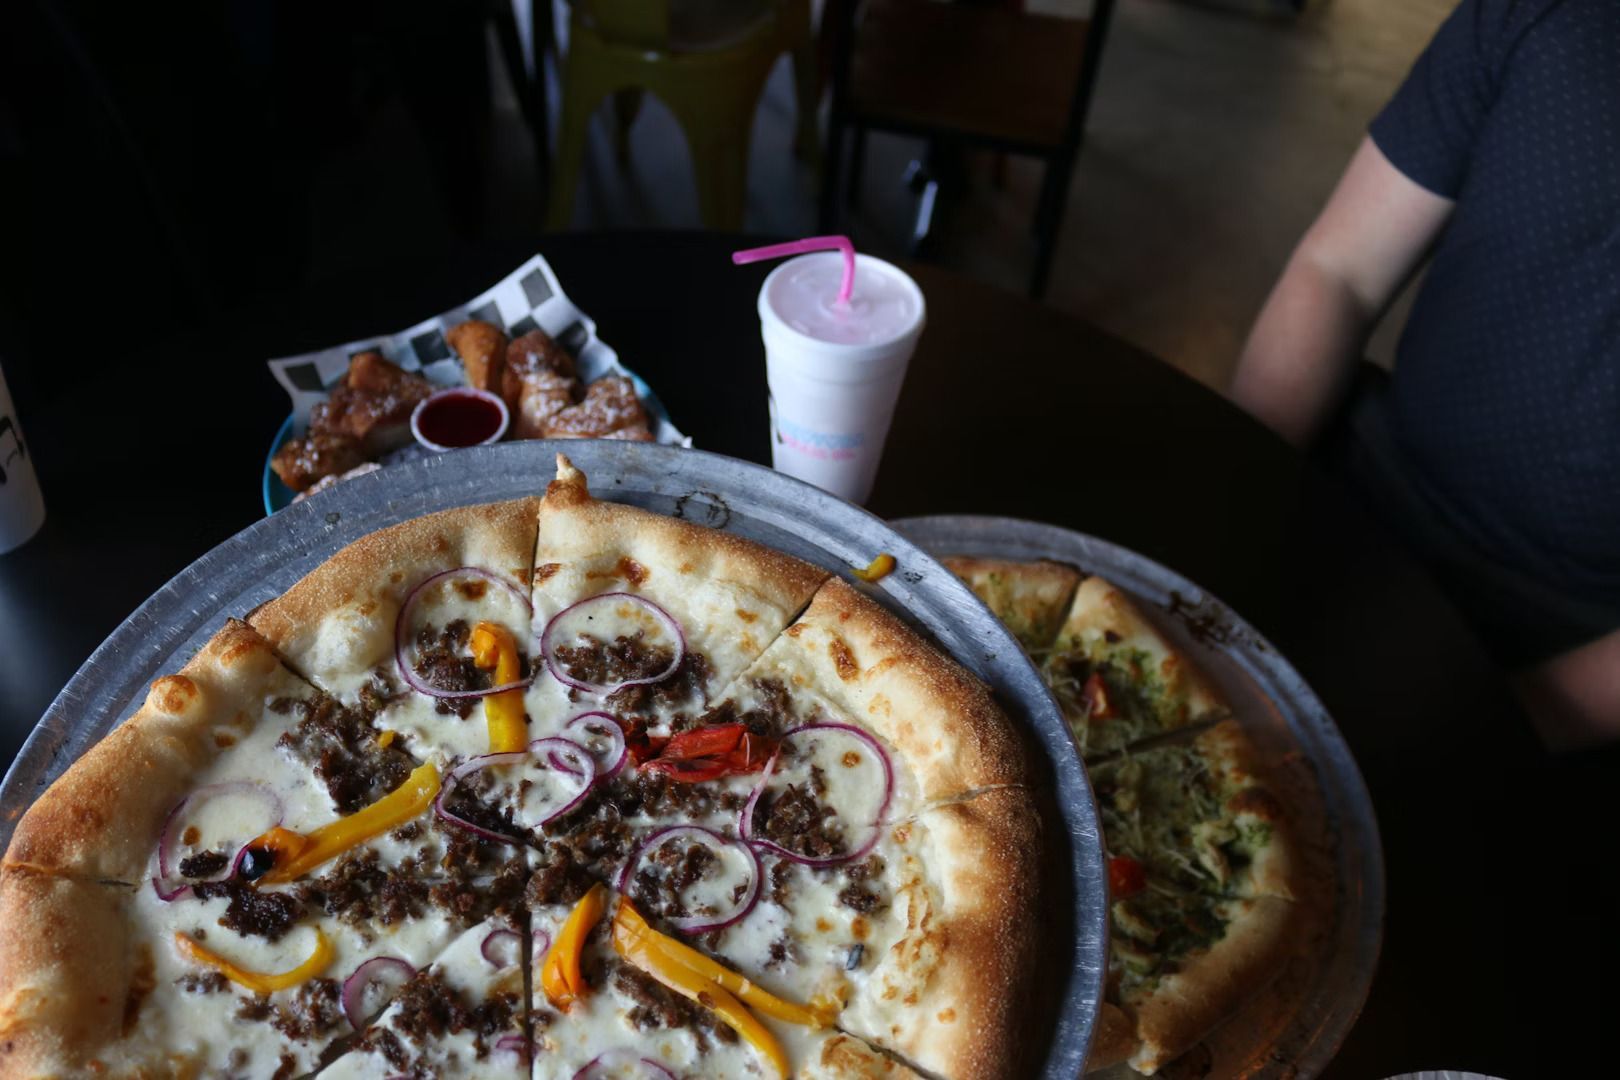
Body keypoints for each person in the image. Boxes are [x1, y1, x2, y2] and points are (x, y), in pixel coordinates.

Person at [1230, 0, 1619, 749]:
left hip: (1582, 634)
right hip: (1368, 496)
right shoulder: (1551, 15)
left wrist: (1502, 725)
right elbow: (1338, 273)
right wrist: (1244, 491)